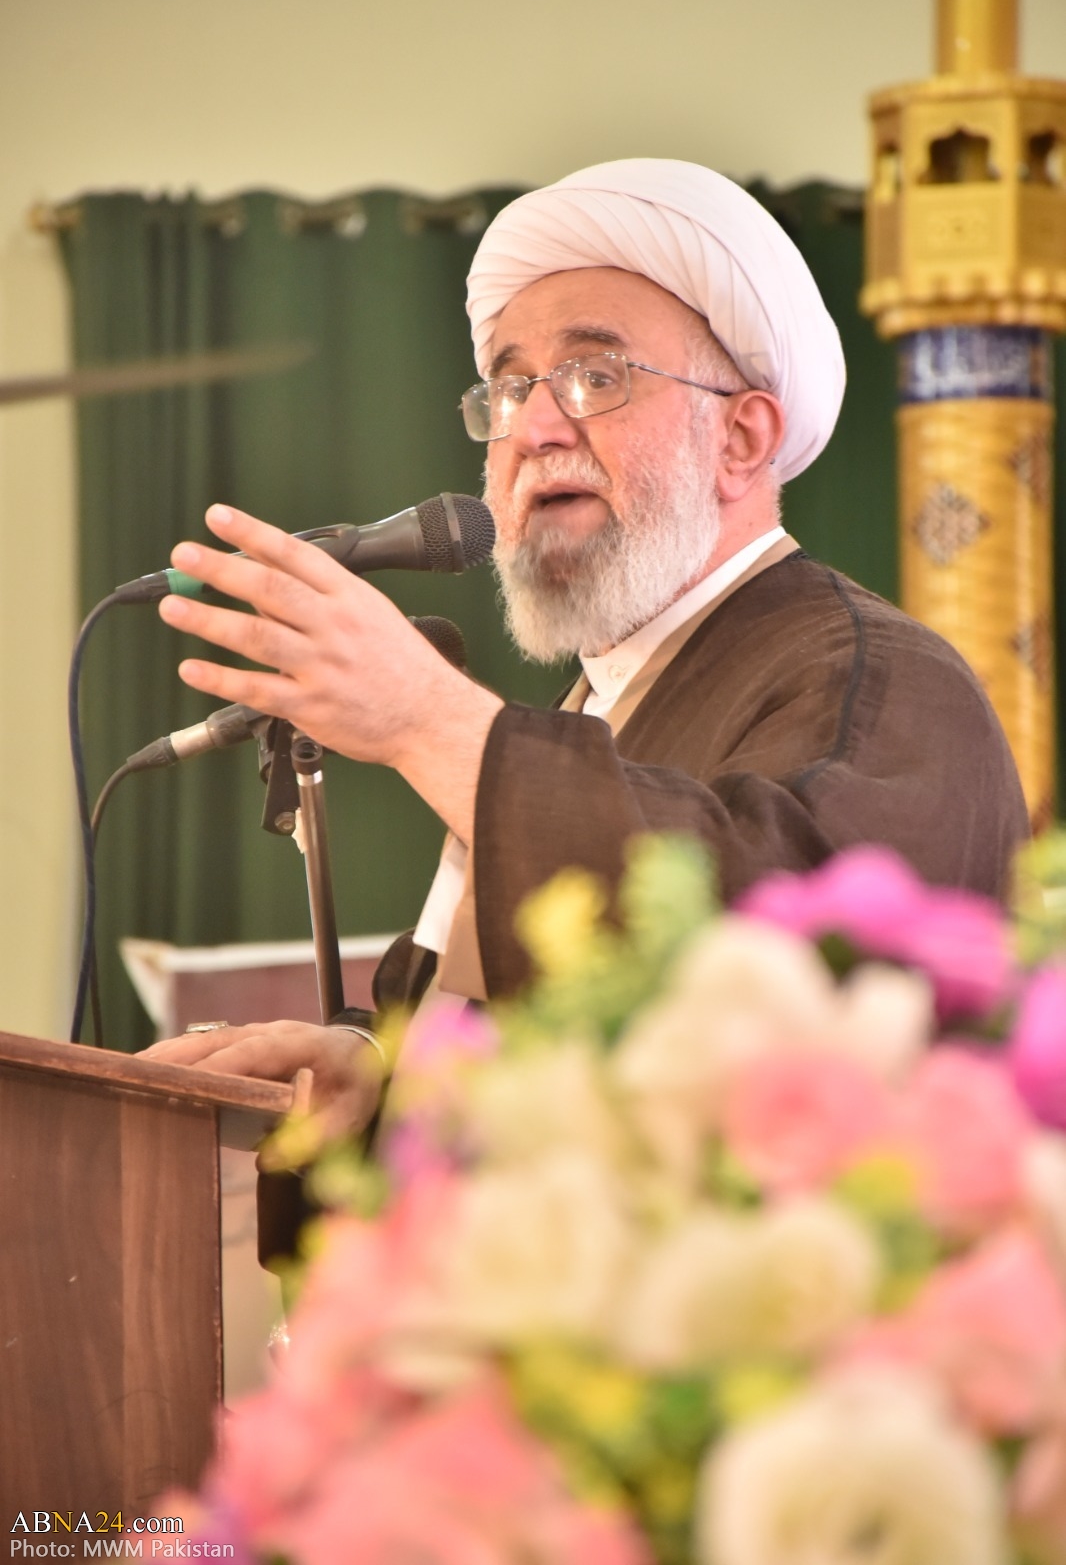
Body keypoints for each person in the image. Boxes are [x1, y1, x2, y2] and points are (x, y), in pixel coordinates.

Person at [138, 158, 1029, 1132]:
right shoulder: (597, 701)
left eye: (595, 375)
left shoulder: (888, 683)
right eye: (507, 387)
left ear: (740, 439)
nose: (533, 426)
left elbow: (779, 976)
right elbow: (537, 1043)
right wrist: (376, 1072)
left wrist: (429, 721)